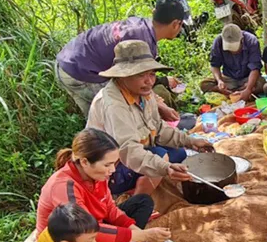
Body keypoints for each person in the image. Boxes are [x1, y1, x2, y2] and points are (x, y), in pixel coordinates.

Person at [87, 40, 213, 196]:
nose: (150, 81)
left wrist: (191, 141)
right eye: (141, 75)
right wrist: (164, 167)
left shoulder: (144, 92)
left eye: (152, 74)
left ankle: (149, 179)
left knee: (180, 153)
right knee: (161, 156)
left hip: (137, 153)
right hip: (111, 170)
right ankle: (138, 198)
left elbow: (159, 128)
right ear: (122, 76)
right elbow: (128, 151)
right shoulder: (113, 105)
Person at [37, 128, 170, 242]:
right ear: (85, 162)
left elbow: (110, 209)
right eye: (107, 165)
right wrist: (142, 235)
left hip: (94, 224)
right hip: (74, 240)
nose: (112, 170)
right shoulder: (64, 187)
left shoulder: (97, 175)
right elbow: (85, 231)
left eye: (114, 163)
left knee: (143, 202)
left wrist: (137, 232)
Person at [55, 0, 186, 120]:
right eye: (181, 25)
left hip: (67, 60)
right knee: (117, 114)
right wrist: (160, 105)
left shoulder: (141, 25)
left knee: (98, 118)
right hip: (80, 72)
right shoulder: (140, 42)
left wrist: (160, 84)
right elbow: (133, 83)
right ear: (176, 24)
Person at [200, 23, 264, 101]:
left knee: (262, 84)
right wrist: (219, 81)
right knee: (204, 84)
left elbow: (255, 69)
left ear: (241, 39)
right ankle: (229, 91)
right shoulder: (218, 41)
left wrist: (248, 88)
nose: (232, 51)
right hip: (228, 78)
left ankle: (243, 91)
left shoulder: (251, 41)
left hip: (247, 78)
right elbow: (214, 65)